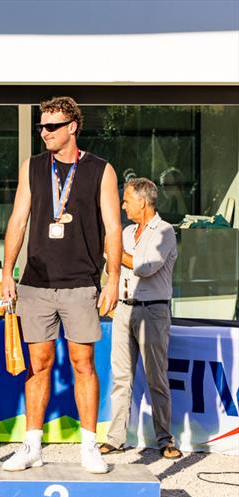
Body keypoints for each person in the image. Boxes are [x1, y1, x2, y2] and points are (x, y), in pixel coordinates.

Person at [0, 96, 122, 474]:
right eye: (41, 126)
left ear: (72, 127)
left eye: (52, 126)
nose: (44, 133)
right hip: (36, 282)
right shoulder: (33, 167)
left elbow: (114, 228)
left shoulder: (101, 170)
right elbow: (18, 219)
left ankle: (89, 446)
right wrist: (7, 273)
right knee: (39, 364)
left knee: (82, 363)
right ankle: (32, 444)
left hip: (81, 281)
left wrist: (113, 277)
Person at [100, 178, 181, 459]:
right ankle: (115, 438)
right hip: (124, 308)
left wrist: (114, 253)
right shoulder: (127, 232)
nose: (123, 206)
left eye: (126, 200)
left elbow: (145, 267)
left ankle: (165, 439)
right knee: (121, 377)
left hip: (153, 310)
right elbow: (113, 266)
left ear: (142, 202)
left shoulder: (165, 231)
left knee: (156, 378)